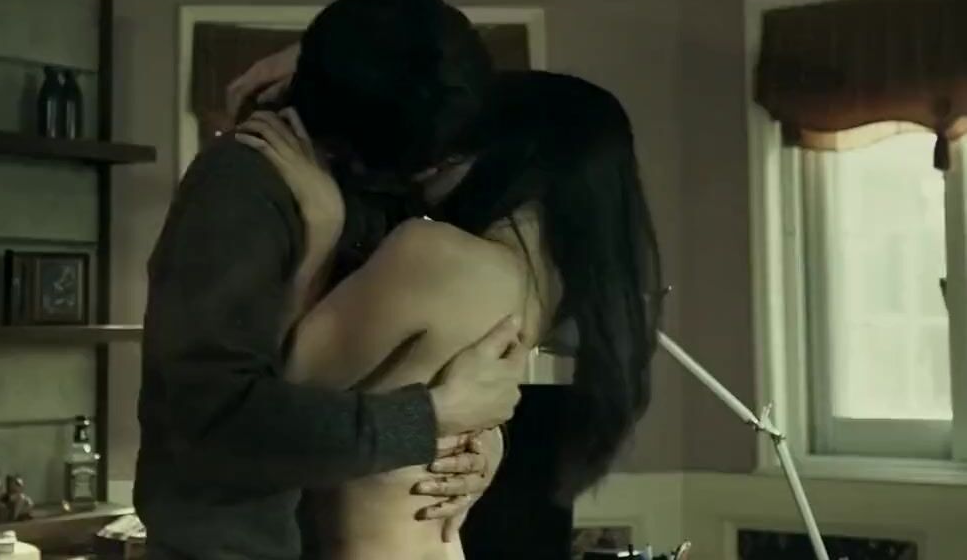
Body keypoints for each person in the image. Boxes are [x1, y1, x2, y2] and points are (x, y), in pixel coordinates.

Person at [135, 0, 530, 560]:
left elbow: (397, 364)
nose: (433, 171)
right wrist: (433, 418)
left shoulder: (386, 176)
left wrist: (476, 439)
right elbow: (215, 423)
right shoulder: (243, 185)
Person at [234, 70, 664, 559]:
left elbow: (264, 404)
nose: (434, 159)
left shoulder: (436, 255)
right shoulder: (541, 283)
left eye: (462, 143)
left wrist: (320, 229)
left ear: (516, 155)